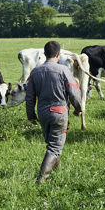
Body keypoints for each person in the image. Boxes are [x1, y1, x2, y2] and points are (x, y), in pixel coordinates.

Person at [25, 40, 83, 184]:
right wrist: (79, 109)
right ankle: (42, 179)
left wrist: (31, 115)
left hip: (43, 113)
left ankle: (57, 172)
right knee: (55, 147)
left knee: (52, 144)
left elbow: (30, 97)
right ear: (58, 54)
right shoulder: (63, 70)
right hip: (59, 112)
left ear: (44, 54)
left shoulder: (35, 72)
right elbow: (74, 93)